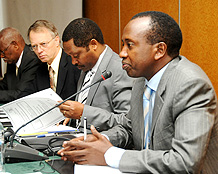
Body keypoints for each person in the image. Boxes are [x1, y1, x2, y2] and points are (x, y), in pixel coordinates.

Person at [58, 11, 218, 173]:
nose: (122, 53)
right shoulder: (141, 80)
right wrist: (100, 141)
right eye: (123, 44)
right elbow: (129, 128)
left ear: (159, 50)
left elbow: (184, 163)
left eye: (130, 45)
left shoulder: (190, 85)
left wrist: (111, 155)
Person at [58, 18, 133, 131]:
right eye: (70, 56)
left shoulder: (120, 70)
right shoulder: (86, 67)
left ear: (93, 44)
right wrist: (73, 117)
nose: (73, 62)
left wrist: (83, 113)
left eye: (76, 55)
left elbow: (127, 122)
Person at [19, 20, 80, 100]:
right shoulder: (40, 68)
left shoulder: (74, 64)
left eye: (43, 44)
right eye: (34, 46)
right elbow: (26, 95)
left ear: (57, 40)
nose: (39, 50)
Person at [0, 27, 41, 103]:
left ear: (15, 45)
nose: (1, 56)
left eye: (2, 51)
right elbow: (3, 86)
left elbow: (19, 94)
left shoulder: (32, 59)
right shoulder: (12, 59)